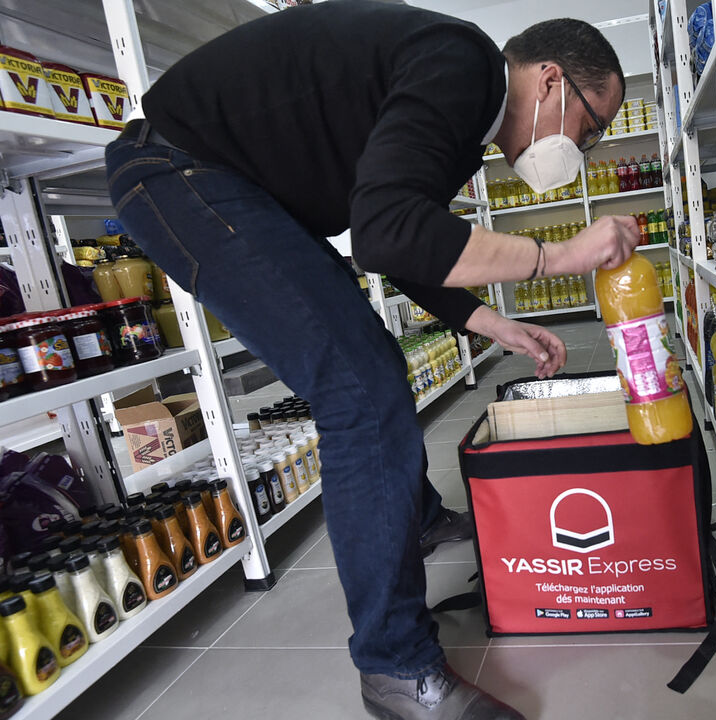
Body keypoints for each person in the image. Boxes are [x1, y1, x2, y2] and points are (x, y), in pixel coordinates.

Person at [105, 2, 636, 718]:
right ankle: (395, 667)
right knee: (361, 388)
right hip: (182, 170)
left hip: (231, 180)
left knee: (369, 365)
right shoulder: (463, 64)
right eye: (592, 124)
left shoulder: (462, 115)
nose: (588, 146)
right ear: (549, 81)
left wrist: (491, 325)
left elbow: (403, 236)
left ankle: (410, 516)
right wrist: (560, 256)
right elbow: (388, 232)